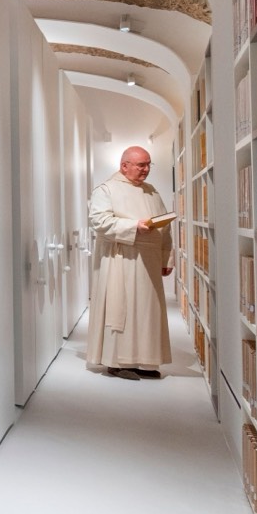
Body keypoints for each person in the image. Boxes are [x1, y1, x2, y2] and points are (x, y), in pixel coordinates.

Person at [86, 145, 173, 380]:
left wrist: (166, 257)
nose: (146, 169)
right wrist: (134, 226)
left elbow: (164, 227)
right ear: (124, 166)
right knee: (122, 310)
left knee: (147, 311)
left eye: (148, 165)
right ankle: (117, 362)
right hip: (120, 259)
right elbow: (99, 221)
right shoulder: (106, 189)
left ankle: (144, 359)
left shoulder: (151, 192)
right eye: (141, 165)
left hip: (149, 262)